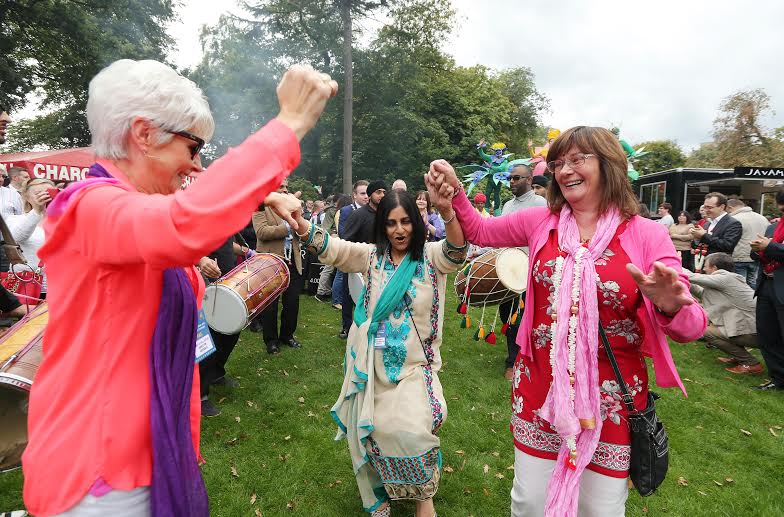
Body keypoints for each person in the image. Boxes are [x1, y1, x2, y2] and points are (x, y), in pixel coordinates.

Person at [22, 58, 336, 517]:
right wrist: (289, 124)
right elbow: (181, 222)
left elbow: (192, 199)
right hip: (100, 473)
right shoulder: (87, 209)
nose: (195, 164)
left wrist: (261, 192)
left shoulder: (129, 202)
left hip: (143, 452)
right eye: (192, 147)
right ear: (144, 134)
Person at [426, 126, 707, 516]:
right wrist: (454, 193)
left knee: (601, 510)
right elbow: (479, 230)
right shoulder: (541, 221)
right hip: (540, 388)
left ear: (609, 165)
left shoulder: (647, 235)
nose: (564, 170)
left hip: (612, 401)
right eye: (558, 162)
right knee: (529, 503)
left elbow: (693, 327)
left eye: (578, 159)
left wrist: (671, 307)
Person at [284, 188, 467, 517]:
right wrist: (300, 223)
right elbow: (333, 249)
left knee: (412, 431)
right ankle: (379, 495)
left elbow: (456, 250)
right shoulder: (371, 258)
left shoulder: (430, 256)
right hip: (372, 365)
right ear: (382, 226)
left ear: (418, 223)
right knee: (371, 433)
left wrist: (448, 210)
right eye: (392, 223)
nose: (399, 230)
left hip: (415, 369)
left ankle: (423, 499)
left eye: (407, 222)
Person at [498, 162, 546, 380]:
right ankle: (516, 352)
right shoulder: (507, 206)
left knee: (521, 317)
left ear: (529, 180)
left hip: (529, 270)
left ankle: (513, 361)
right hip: (507, 269)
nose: (512, 182)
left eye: (517, 178)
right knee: (507, 316)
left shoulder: (540, 203)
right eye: (510, 178)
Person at [199, 235, 255, 417]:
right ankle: (200, 394)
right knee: (207, 340)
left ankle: (215, 373)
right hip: (202, 280)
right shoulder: (198, 210)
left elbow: (223, 241)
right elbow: (180, 241)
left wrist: (247, 251)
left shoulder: (222, 213)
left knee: (232, 330)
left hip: (227, 279)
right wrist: (200, 259)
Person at [688, 253, 762, 373]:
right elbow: (702, 293)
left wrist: (672, 265)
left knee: (707, 332)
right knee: (714, 328)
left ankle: (750, 363)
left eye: (706, 266)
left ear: (715, 268)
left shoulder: (726, 278)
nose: (704, 269)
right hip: (755, 331)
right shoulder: (728, 281)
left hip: (757, 334)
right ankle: (738, 357)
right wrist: (686, 283)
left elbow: (692, 276)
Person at [254, 179, 305, 354]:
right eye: (281, 187)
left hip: (293, 260)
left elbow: (301, 231)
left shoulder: (292, 207)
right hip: (271, 262)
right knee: (270, 305)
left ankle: (287, 336)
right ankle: (271, 341)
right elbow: (261, 232)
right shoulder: (260, 205)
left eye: (287, 187)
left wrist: (298, 221)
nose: (285, 190)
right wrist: (286, 226)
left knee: (292, 302)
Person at [339, 181, 387, 338]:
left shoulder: (386, 214)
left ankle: (373, 327)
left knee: (375, 299)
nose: (381, 195)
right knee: (350, 296)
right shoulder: (358, 215)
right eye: (378, 192)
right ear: (370, 194)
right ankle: (347, 327)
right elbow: (346, 239)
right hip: (357, 264)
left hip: (380, 264)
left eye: (384, 192)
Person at [750, 191, 784, 391]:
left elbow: (772, 248)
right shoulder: (773, 226)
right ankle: (778, 378)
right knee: (767, 334)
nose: (780, 211)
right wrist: (756, 250)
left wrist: (769, 246)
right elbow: (759, 252)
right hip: (766, 285)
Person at [7, 178, 56, 298]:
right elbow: (16, 238)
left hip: (60, 287)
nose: (44, 196)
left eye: (48, 192)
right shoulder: (15, 219)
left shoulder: (66, 220)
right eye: (38, 193)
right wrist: (37, 211)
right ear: (27, 198)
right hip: (27, 286)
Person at [726, 198, 769, 288]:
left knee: (740, 285)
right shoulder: (762, 218)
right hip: (757, 255)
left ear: (729, 207)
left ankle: (742, 302)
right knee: (753, 283)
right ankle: (753, 301)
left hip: (739, 256)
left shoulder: (733, 219)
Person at [690, 192, 742, 257]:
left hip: (719, 264)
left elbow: (727, 246)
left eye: (709, 207)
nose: (706, 210)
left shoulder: (733, 223)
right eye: (705, 207)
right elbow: (698, 245)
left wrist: (704, 235)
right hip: (702, 262)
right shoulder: (707, 223)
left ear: (722, 207)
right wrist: (696, 238)